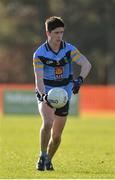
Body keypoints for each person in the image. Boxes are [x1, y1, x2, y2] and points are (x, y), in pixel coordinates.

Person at [33, 16, 91, 171]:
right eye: (56, 33)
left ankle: (49, 160)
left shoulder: (69, 49)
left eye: (62, 32)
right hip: (46, 92)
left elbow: (86, 64)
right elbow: (38, 80)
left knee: (57, 136)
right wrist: (44, 95)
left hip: (64, 94)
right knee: (47, 123)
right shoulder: (39, 54)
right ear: (48, 33)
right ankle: (42, 155)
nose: (60, 36)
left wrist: (80, 80)